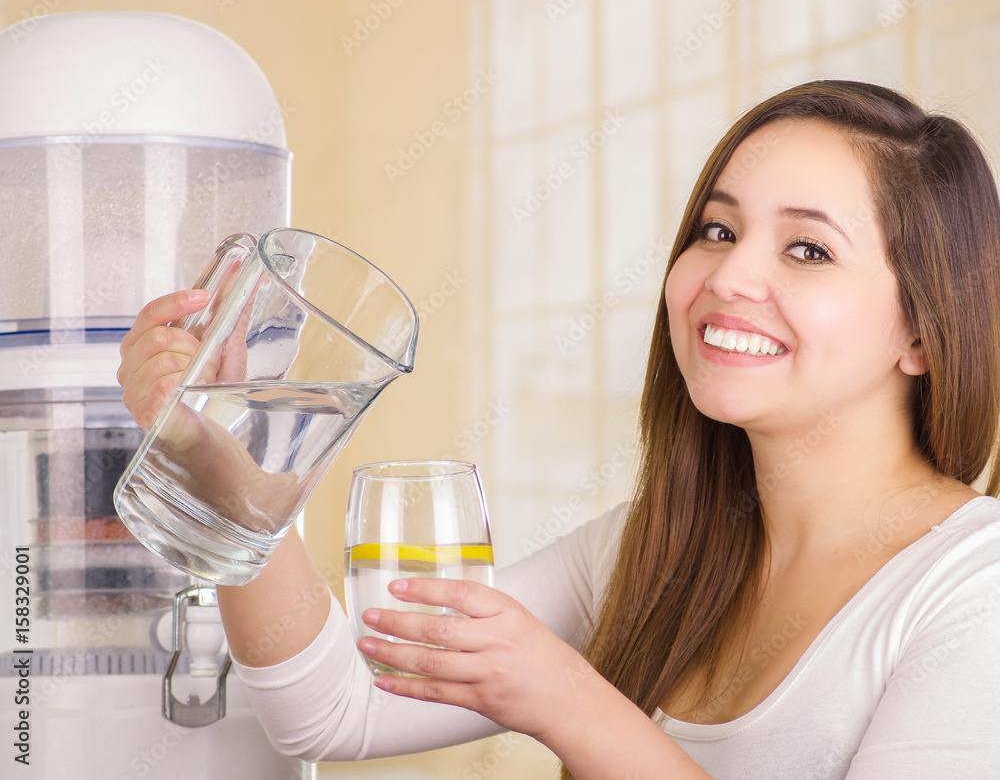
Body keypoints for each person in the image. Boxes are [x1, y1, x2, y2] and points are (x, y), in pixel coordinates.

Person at [118, 79, 1000, 778]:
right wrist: (210, 446)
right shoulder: (655, 547)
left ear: (924, 328)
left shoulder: (972, 586)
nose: (730, 277)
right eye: (718, 229)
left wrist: (568, 699)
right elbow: (335, 711)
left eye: (807, 248)